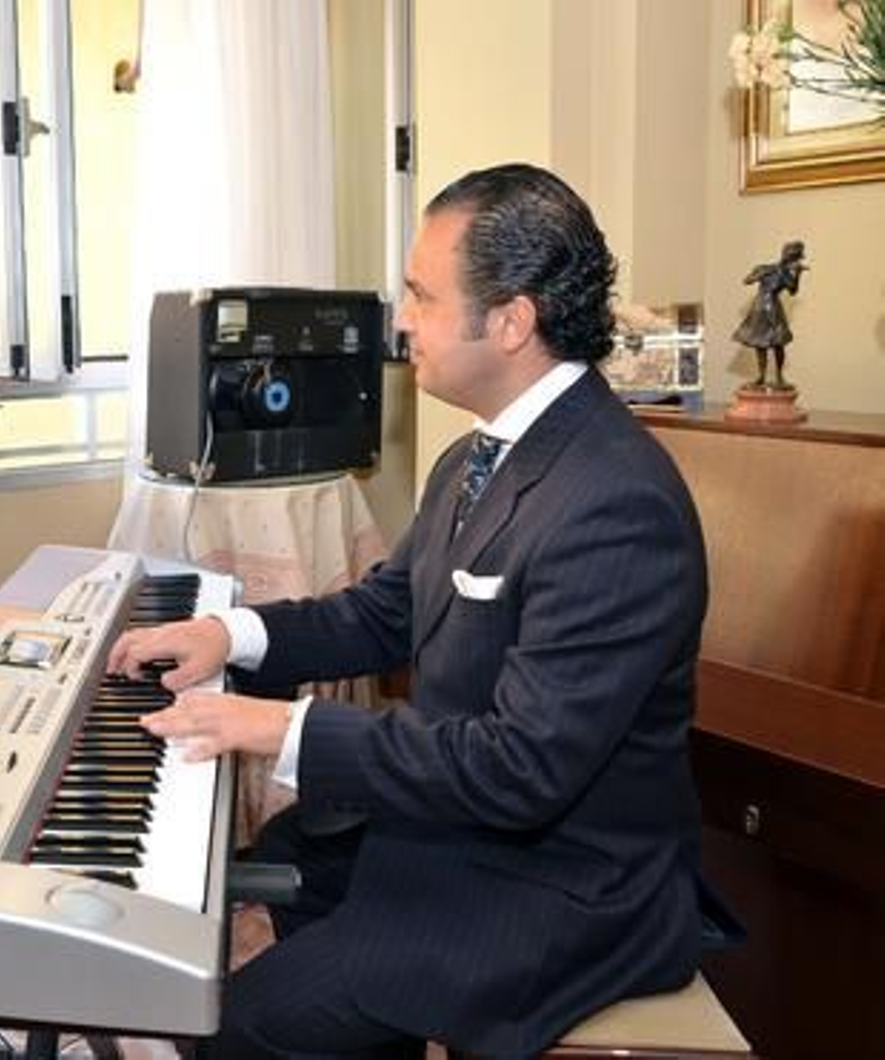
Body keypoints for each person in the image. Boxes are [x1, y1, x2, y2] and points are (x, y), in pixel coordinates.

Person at [109, 163, 712, 1058]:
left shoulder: (614, 502)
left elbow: (520, 767)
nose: (399, 322)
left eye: (422, 297)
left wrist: (277, 728)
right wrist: (226, 633)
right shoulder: (477, 456)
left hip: (566, 883)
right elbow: (385, 612)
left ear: (511, 321)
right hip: (478, 829)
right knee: (292, 847)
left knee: (240, 1025)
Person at [731, 239, 806, 388]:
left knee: (778, 342)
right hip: (760, 307)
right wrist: (759, 274)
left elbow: (793, 290)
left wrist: (798, 274)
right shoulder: (766, 268)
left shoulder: (786, 274)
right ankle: (761, 376)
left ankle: (779, 376)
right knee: (760, 343)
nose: (792, 259)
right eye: (791, 256)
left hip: (774, 307)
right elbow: (747, 280)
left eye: (794, 257)